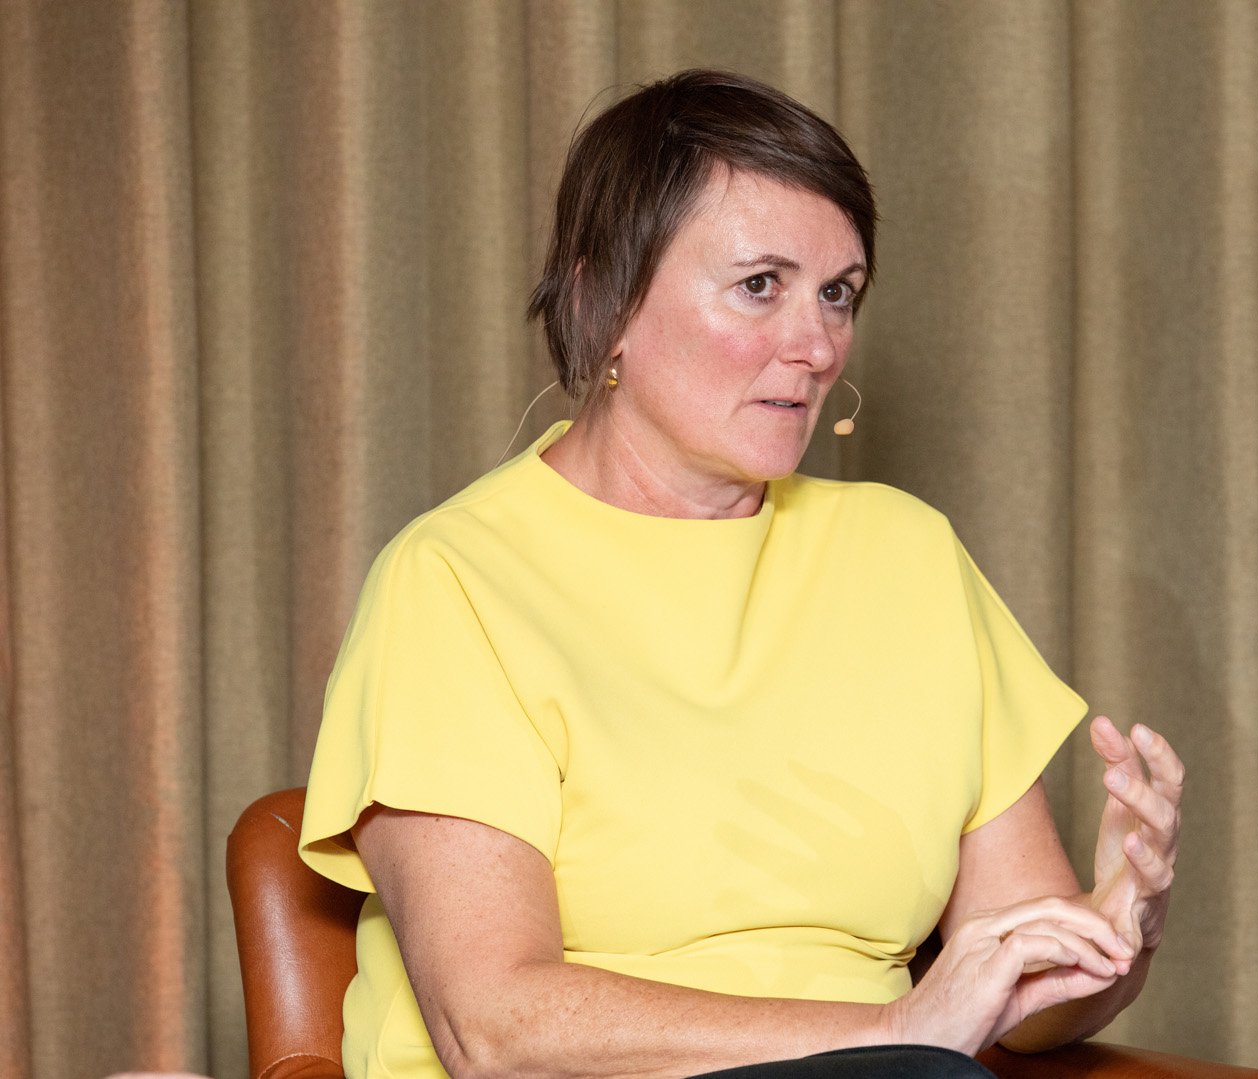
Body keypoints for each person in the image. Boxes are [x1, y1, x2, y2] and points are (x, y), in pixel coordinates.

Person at [299, 69, 1182, 1079]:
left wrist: (1116, 930)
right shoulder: (455, 580)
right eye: (761, 285)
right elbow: (495, 1027)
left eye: (837, 293)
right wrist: (894, 1031)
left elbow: (1018, 993)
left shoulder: (908, 555)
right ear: (604, 301)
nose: (816, 346)